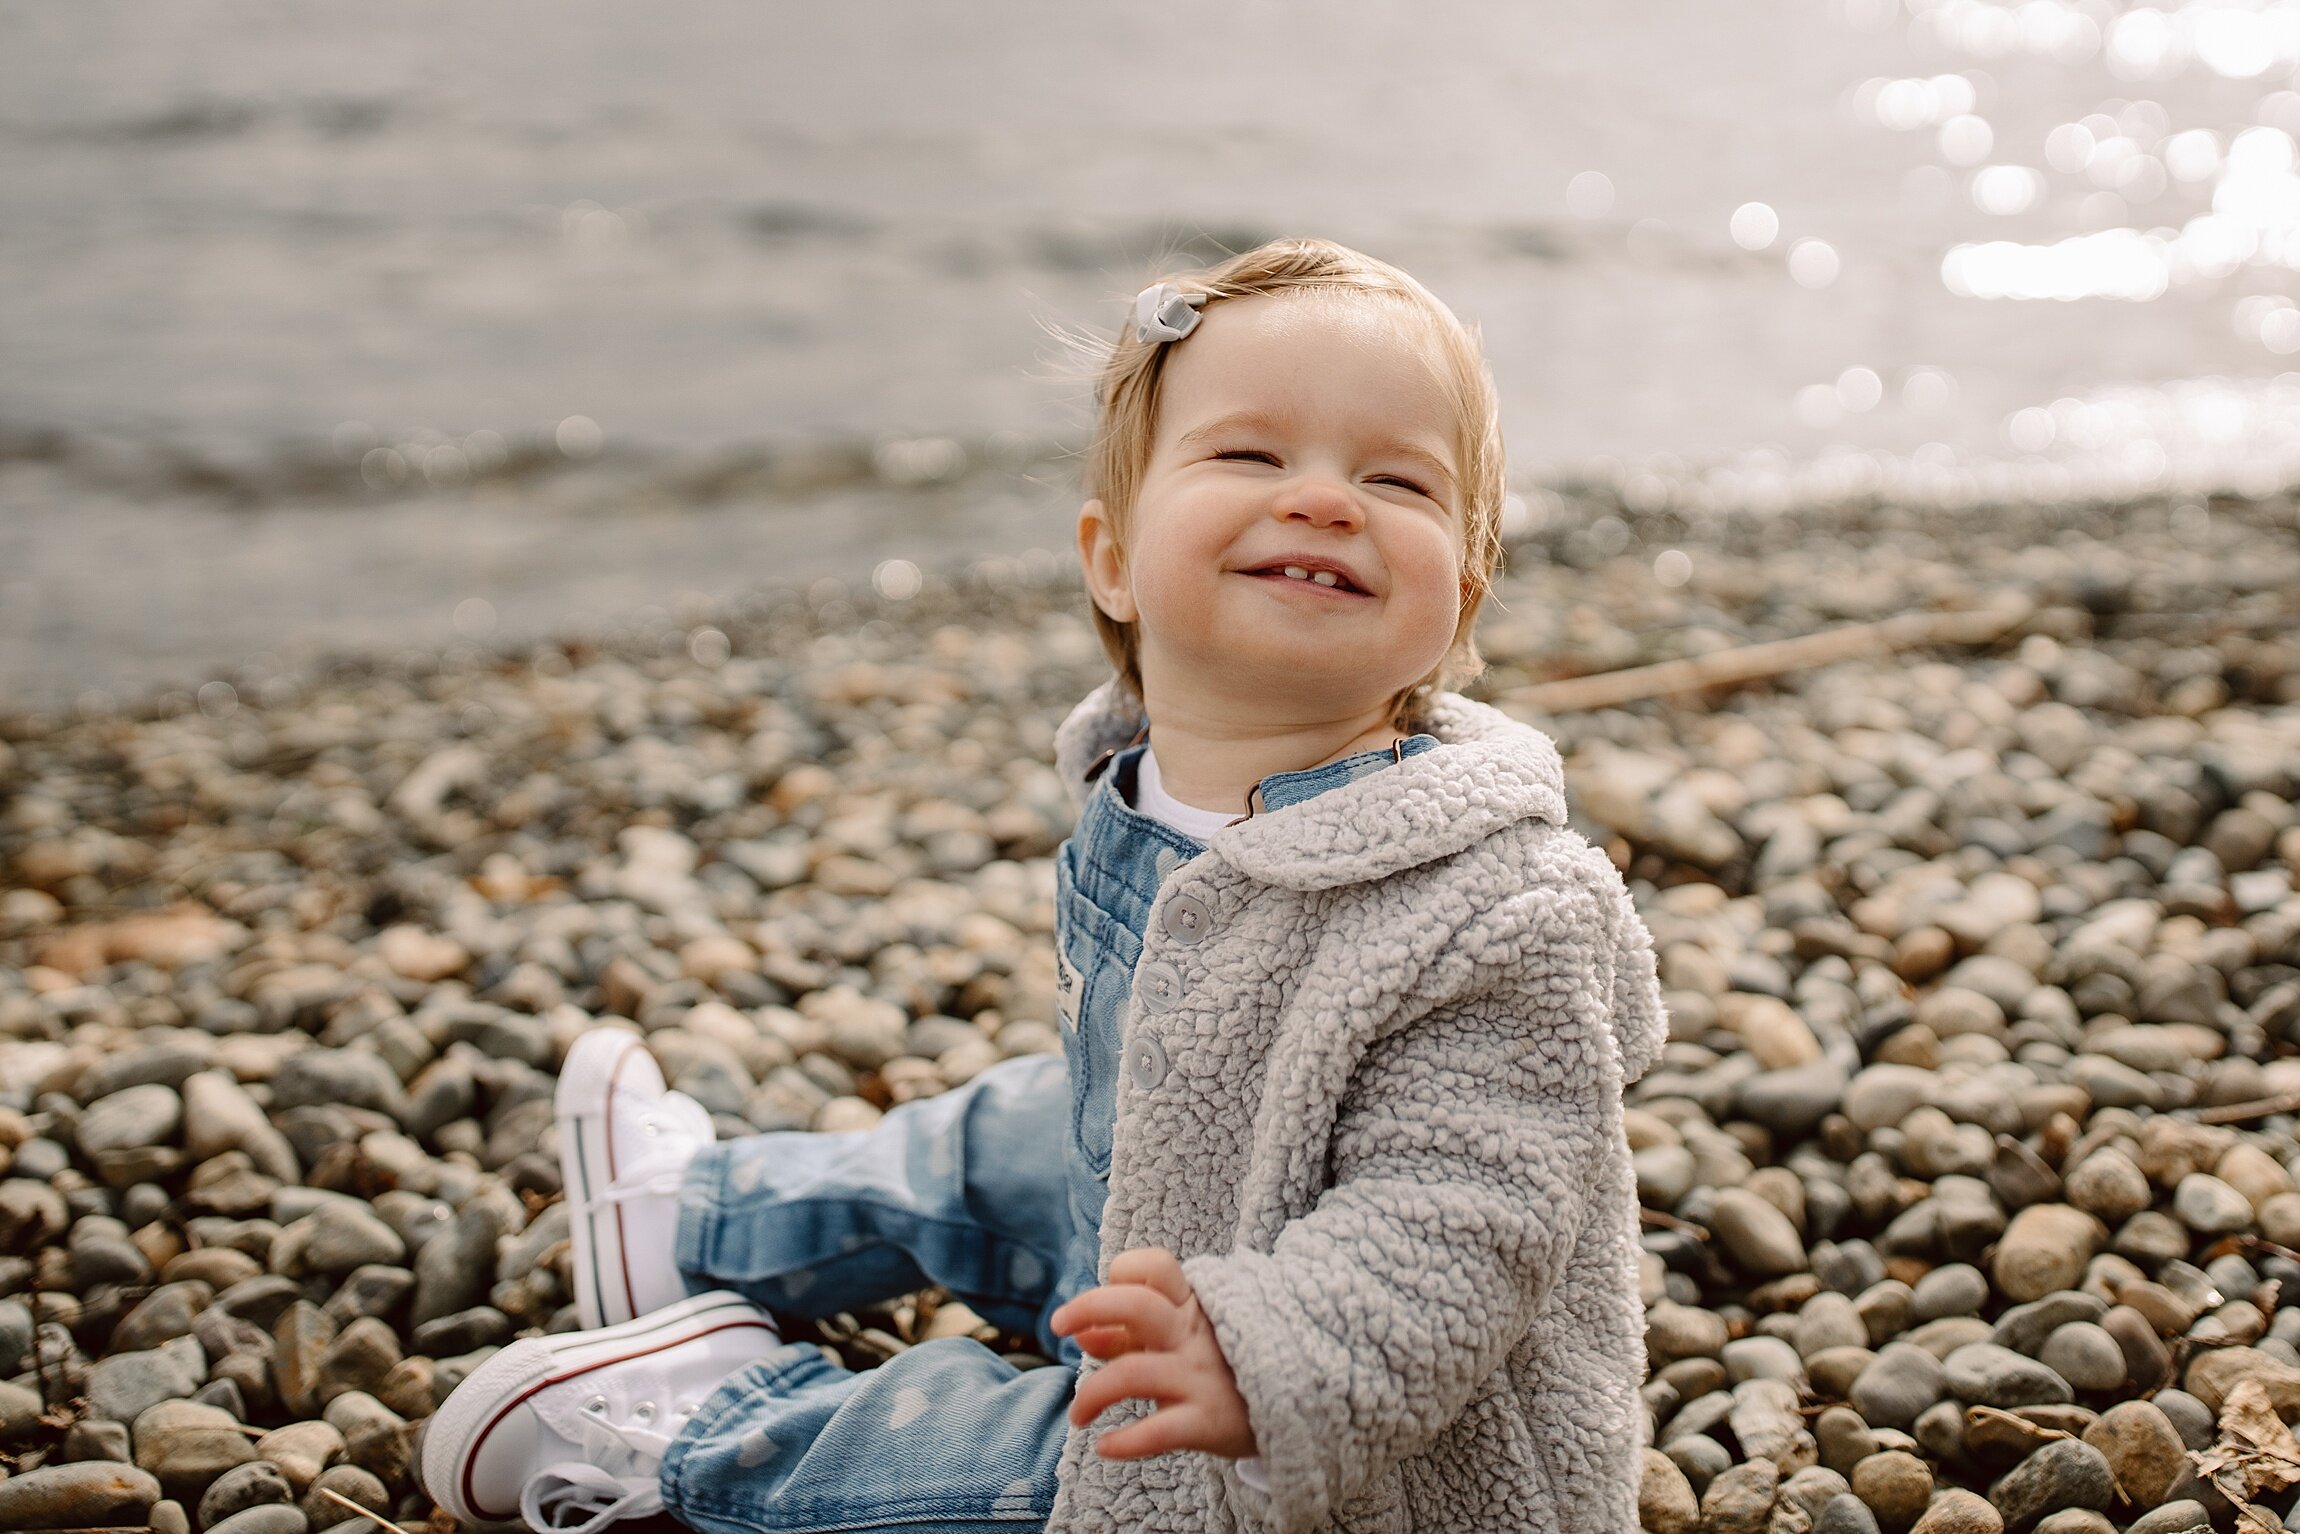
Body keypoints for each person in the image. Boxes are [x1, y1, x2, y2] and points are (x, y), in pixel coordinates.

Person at [420, 237, 1667, 1534]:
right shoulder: (1138, 771)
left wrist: (1264, 1355)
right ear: (1113, 559)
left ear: (1461, 594)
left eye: (1396, 478)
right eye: (1250, 455)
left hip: (1349, 1455)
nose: (1324, 498)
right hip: (1172, 1212)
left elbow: (1465, 1219)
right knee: (998, 1141)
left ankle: (710, 1421)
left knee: (1065, 1464)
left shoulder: (1495, 908)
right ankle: (702, 1221)